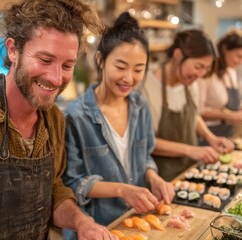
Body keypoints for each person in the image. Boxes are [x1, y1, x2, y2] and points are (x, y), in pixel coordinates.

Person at [0, 0, 117, 239]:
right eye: (45, 60)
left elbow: (54, 190)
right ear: (13, 50)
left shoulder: (54, 119)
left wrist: (82, 222)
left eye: (67, 65)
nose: (56, 78)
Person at [62, 12, 175, 239]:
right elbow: (71, 183)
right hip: (98, 227)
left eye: (138, 69)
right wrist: (122, 189)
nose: (129, 78)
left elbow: (145, 157)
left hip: (135, 221)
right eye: (121, 66)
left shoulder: (139, 105)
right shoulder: (75, 116)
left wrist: (154, 177)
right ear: (101, 60)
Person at [141, 29, 234, 182]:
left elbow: (194, 116)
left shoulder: (189, 82)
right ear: (178, 55)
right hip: (159, 178)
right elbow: (145, 141)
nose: (201, 74)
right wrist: (190, 150)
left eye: (206, 68)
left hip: (189, 171)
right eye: (198, 66)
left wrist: (210, 138)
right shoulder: (146, 87)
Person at [198, 29, 242, 139]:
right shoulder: (207, 74)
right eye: (239, 56)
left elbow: (233, 104)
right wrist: (230, 116)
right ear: (224, 49)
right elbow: (198, 112)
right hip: (207, 134)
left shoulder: (231, 71)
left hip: (228, 133)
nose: (241, 62)